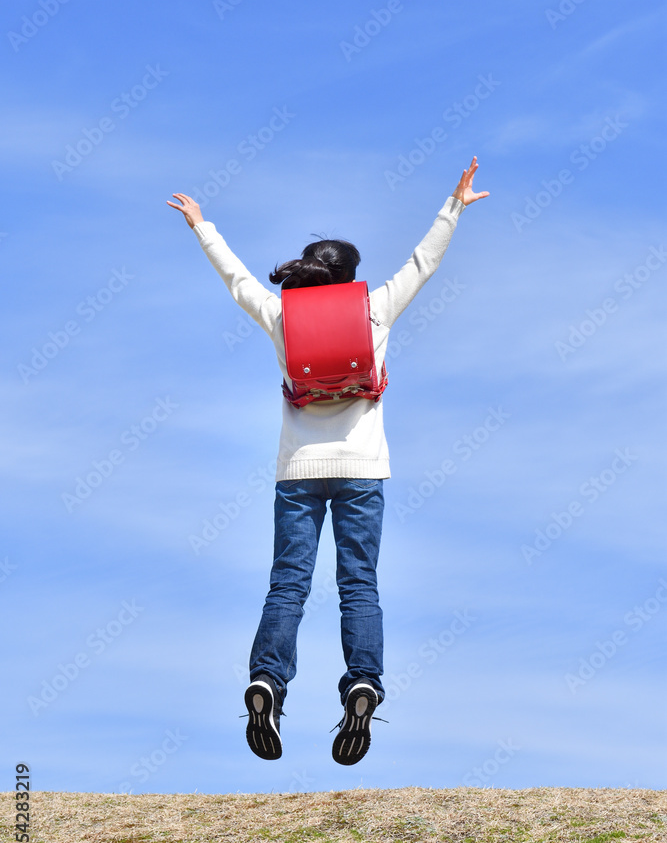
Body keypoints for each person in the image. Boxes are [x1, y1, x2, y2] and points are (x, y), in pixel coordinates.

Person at [167, 156, 489, 766]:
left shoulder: (285, 319)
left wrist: (202, 227)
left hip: (298, 472)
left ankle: (268, 682)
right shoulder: (375, 310)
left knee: (288, 584)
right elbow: (424, 263)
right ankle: (363, 684)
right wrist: (454, 207)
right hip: (363, 469)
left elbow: (238, 282)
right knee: (358, 585)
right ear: (350, 277)